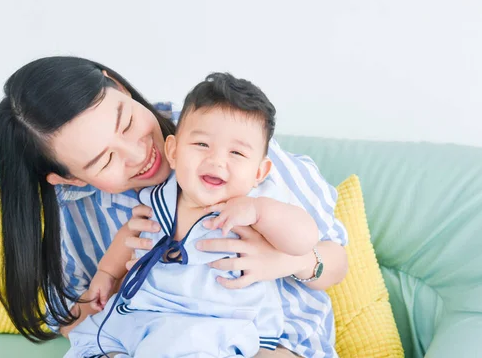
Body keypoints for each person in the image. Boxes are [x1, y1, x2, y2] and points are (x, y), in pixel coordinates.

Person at [0, 57, 349, 358]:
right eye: (104, 160)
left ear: (120, 87)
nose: (139, 153)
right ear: (70, 180)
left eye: (127, 122)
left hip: (271, 336)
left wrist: (290, 261)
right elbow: (75, 315)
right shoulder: (85, 211)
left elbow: (336, 261)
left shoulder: (223, 137)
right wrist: (112, 283)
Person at [68, 73, 320, 357]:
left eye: (237, 153)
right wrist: (105, 273)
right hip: (151, 311)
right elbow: (129, 235)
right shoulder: (161, 198)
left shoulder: (255, 206)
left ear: (259, 172)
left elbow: (304, 238)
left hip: (226, 320)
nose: (216, 160)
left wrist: (260, 212)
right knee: (99, 343)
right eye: (202, 145)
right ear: (173, 151)